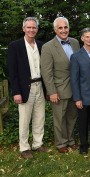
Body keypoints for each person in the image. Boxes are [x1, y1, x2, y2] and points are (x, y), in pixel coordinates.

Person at [7, 17, 47, 159]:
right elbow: (12, 71)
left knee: (39, 116)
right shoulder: (15, 46)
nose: (31, 30)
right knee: (24, 118)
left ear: (37, 29)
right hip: (25, 87)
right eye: (28, 27)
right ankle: (24, 147)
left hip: (39, 86)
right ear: (23, 29)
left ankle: (37, 143)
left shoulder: (41, 45)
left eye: (34, 27)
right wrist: (16, 92)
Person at [41, 17, 80, 153]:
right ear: (55, 30)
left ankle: (71, 140)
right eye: (60, 28)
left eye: (65, 27)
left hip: (75, 88)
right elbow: (46, 72)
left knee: (72, 116)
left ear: (68, 28)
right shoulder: (48, 47)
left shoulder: (75, 43)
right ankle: (61, 143)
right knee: (59, 118)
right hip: (58, 89)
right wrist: (51, 91)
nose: (63, 30)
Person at [70, 28, 90, 154]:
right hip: (83, 96)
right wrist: (77, 98)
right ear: (82, 38)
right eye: (87, 37)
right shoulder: (76, 56)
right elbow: (74, 79)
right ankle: (83, 145)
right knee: (83, 123)